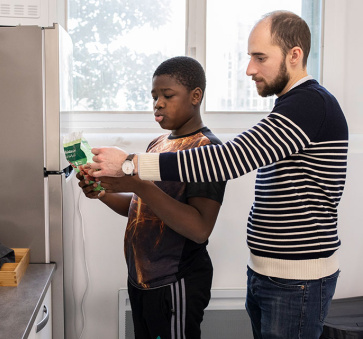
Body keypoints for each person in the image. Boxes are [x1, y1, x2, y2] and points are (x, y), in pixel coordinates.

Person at [87, 11, 348, 339]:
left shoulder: (310, 105)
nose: (250, 69)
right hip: (270, 275)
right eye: (249, 57)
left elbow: (229, 159)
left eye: (260, 57)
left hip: (296, 281)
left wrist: (130, 164)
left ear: (295, 55)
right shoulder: (292, 107)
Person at [77, 56, 227, 338]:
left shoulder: (208, 151)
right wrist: (102, 193)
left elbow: (199, 229)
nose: (158, 103)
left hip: (174, 282)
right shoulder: (157, 145)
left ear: (196, 96)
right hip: (141, 279)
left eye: (167, 95)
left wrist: (139, 184)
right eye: (154, 96)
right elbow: (140, 209)